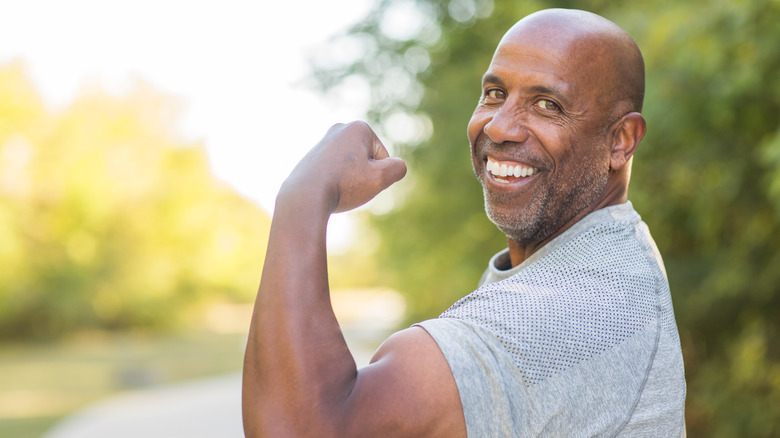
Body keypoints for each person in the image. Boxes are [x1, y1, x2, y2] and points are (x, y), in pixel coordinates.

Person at [242, 8, 686, 438]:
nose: (499, 127)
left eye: (547, 104)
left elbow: (305, 428)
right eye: (494, 94)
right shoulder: (614, 256)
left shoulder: (578, 309)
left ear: (621, 141)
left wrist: (302, 197)